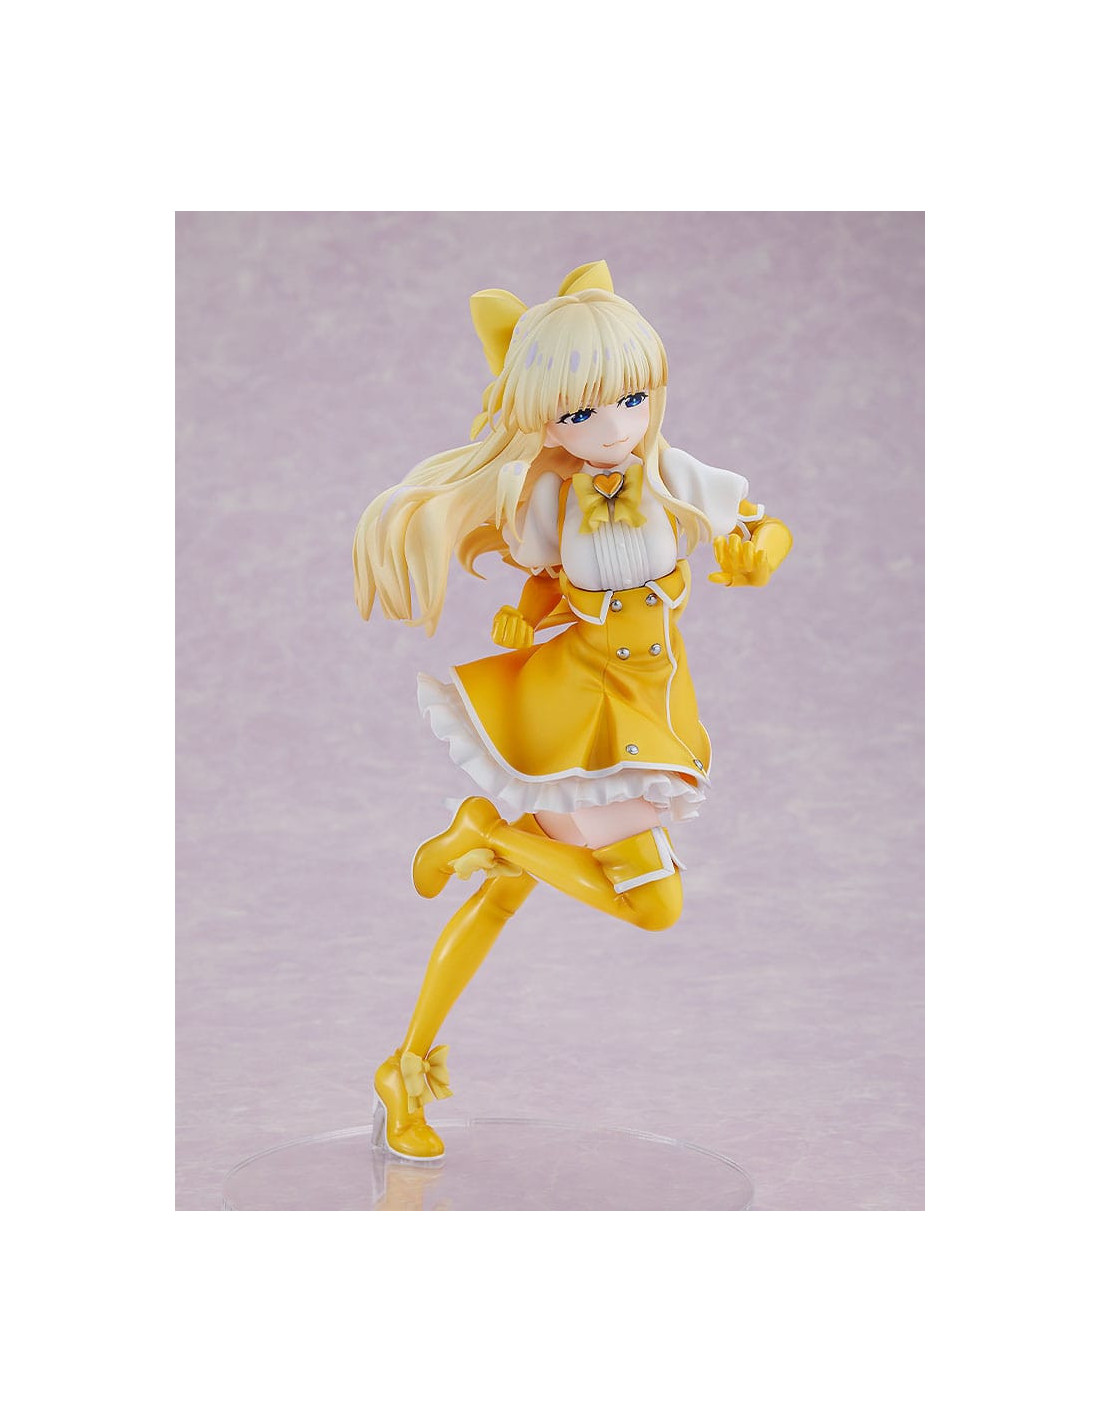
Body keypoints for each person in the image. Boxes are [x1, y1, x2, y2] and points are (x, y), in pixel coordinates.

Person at [353, 260, 791, 1160]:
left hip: (648, 698)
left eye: (631, 399)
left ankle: (404, 1069)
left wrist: (760, 556)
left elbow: (758, 523)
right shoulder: (551, 495)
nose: (616, 426)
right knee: (654, 907)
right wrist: (529, 613)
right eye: (582, 412)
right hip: (587, 712)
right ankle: (486, 832)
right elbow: (557, 582)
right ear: (545, 418)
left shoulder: (672, 473)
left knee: (502, 896)